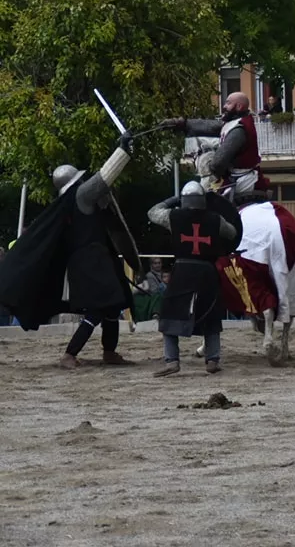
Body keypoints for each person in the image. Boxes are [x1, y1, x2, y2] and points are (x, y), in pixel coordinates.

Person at [0, 132, 138, 369]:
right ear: (75, 182)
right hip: (89, 263)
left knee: (114, 304)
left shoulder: (72, 201)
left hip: (99, 259)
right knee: (97, 310)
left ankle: (109, 351)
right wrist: (123, 151)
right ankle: (69, 354)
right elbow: (104, 178)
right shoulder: (80, 196)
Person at [148, 182, 238, 377]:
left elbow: (152, 212)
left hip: (183, 271)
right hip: (207, 271)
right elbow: (232, 232)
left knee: (169, 314)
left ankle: (172, 361)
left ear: (184, 200)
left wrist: (174, 200)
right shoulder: (215, 219)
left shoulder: (173, 216)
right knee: (210, 314)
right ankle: (212, 359)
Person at [158, 92, 269, 204]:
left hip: (241, 181)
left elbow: (218, 163)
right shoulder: (233, 123)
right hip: (234, 177)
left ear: (239, 106)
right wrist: (179, 123)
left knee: (211, 204)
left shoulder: (239, 129)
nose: (224, 106)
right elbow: (207, 126)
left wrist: (209, 166)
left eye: (228, 103)